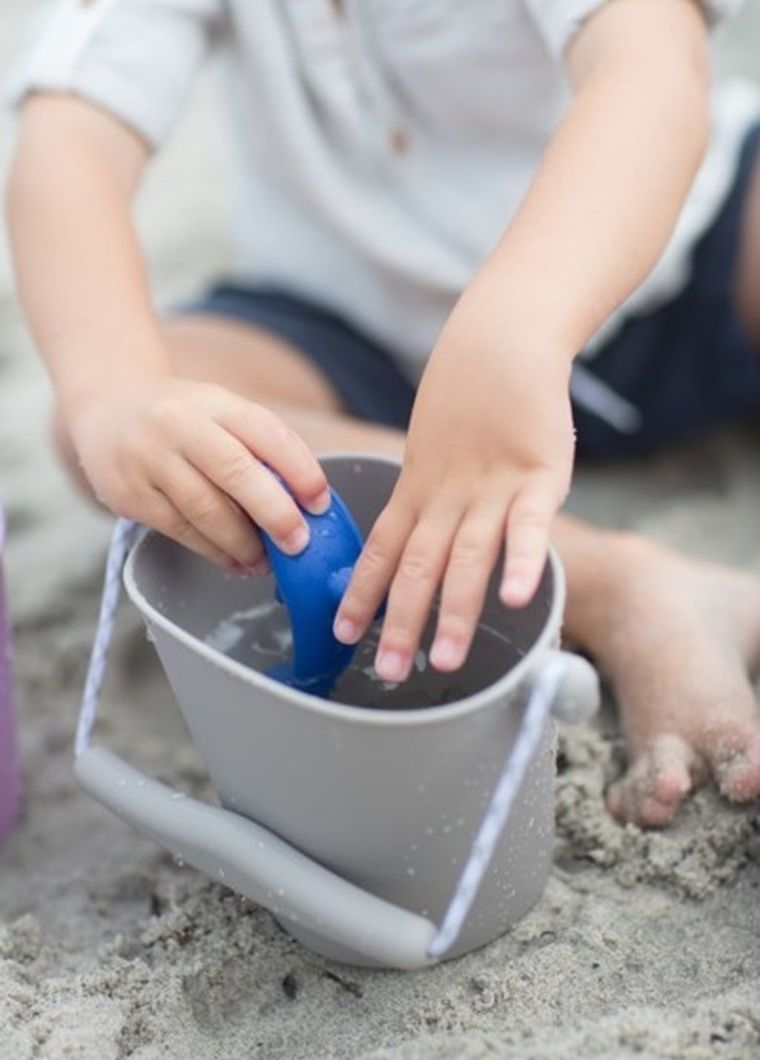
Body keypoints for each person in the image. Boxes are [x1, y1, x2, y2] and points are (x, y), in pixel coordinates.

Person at [6, 0, 760, 827]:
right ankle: (618, 587)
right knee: (138, 431)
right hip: (357, 333)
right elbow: (71, 137)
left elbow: (650, 64)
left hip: (666, 257)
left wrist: (521, 322)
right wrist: (114, 391)